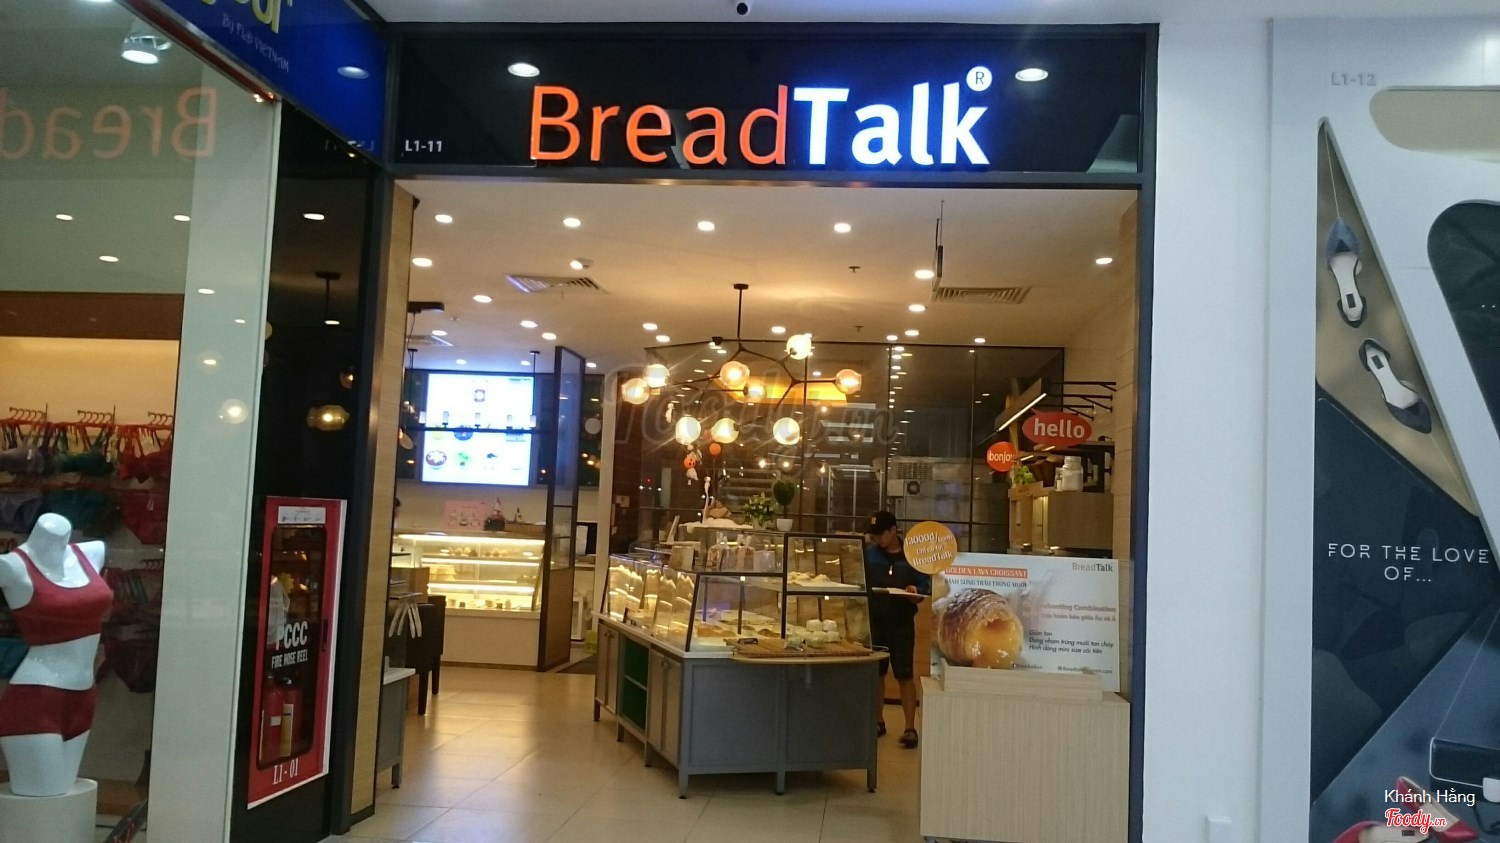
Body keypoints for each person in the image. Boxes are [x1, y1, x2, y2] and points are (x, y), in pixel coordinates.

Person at [863, 510, 930, 748]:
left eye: (881, 534)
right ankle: (877, 721)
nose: (877, 539)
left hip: (901, 623)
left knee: (904, 674)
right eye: (874, 534)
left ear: (894, 530)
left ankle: (910, 727)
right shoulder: (869, 554)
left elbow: (924, 588)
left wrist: (914, 592)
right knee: (877, 673)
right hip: (875, 621)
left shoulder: (912, 556)